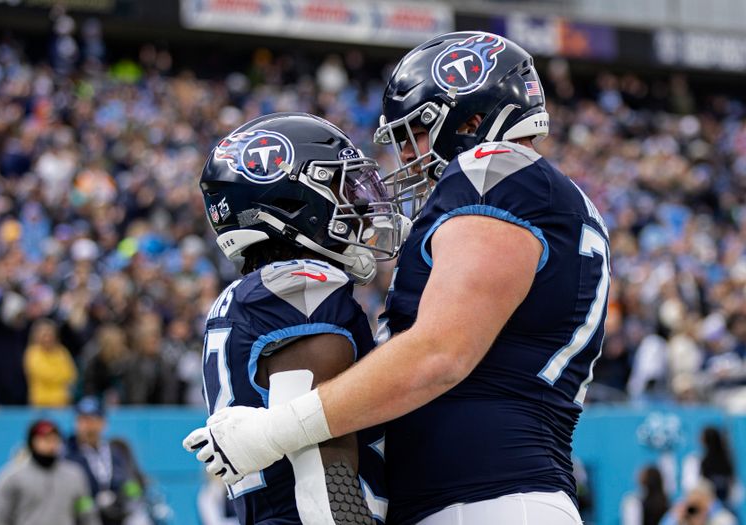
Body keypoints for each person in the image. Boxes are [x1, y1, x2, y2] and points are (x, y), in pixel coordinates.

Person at [184, 32, 610, 525]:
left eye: (416, 134)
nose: (408, 158)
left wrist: (274, 432)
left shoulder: (494, 168)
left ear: (471, 121)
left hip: (485, 499)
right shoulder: (538, 192)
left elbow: (439, 353)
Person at [183, 112, 408, 523]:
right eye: (341, 187)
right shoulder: (302, 292)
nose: (359, 205)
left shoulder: (253, 296)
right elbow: (323, 480)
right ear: (290, 202)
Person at [0, 418, 100, 525]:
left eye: (54, 439)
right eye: (44, 439)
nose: (50, 445)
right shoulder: (12, 477)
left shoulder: (74, 475)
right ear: (32, 442)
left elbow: (87, 514)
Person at [65, 396, 146, 525]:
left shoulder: (116, 449)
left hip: (117, 512)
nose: (87, 425)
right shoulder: (67, 452)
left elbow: (133, 479)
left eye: (92, 420)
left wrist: (128, 489)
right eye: (82, 419)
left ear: (102, 422)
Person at [23, 318, 77, 407]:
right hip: (41, 404)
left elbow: (71, 374)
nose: (47, 338)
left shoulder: (62, 351)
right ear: (37, 336)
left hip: (63, 403)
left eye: (50, 334)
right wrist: (61, 377)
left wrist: (63, 378)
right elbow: (45, 374)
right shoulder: (32, 353)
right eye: (44, 335)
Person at [659, 480, 737, 525]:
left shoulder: (723, 519)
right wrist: (675, 518)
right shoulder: (681, 519)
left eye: (700, 503)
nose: (695, 509)